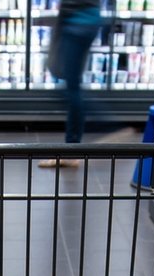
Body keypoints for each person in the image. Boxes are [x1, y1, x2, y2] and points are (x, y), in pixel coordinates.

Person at [40, 0, 101, 168]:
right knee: (72, 85)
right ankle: (71, 148)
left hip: (76, 22)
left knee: (71, 88)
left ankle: (106, 125)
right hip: (88, 20)